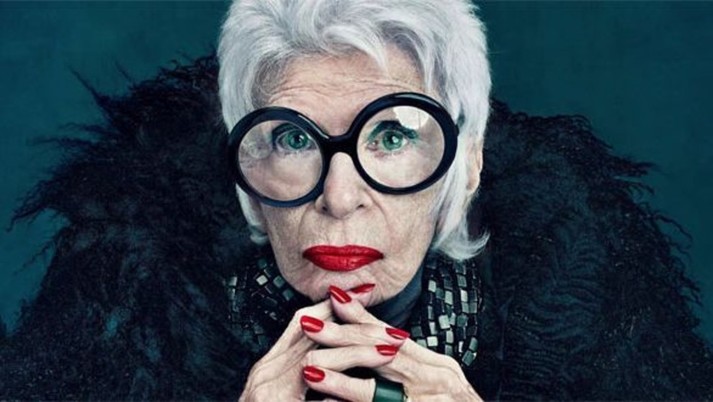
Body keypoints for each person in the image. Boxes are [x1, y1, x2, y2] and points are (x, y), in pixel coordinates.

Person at [1, 0, 712, 400]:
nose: (340, 198)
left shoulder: (597, 334)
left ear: (466, 167)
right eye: (291, 139)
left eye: (392, 137)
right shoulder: (120, 334)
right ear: (244, 176)